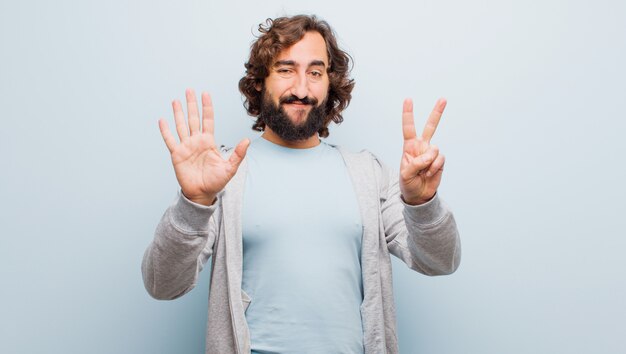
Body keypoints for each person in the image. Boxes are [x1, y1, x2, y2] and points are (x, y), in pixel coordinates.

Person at [142, 14, 461, 354]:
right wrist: (194, 202)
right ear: (261, 81)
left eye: (315, 72)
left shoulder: (368, 173)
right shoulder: (224, 175)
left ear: (330, 83)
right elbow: (162, 284)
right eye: (285, 69)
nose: (301, 88)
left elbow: (440, 261)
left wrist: (422, 204)